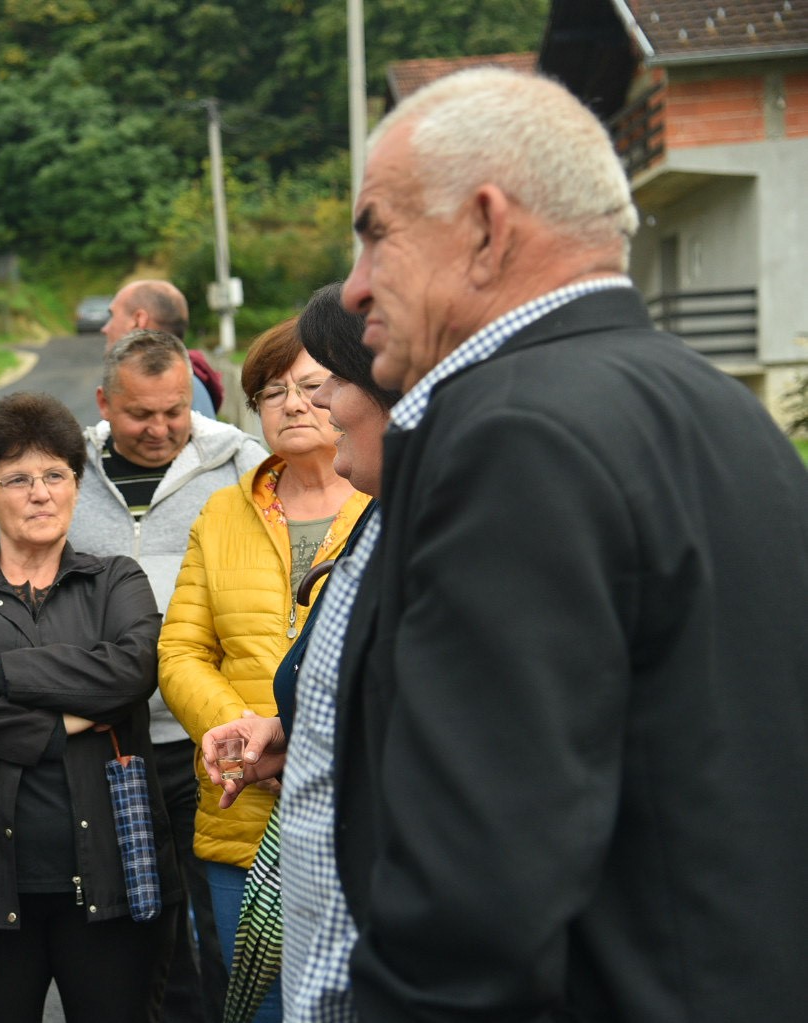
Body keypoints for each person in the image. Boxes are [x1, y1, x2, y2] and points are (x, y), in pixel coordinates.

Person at [334, 67, 808, 1018]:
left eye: (376, 231)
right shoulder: (718, 404)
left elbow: (476, 893)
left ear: (484, 226)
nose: (353, 289)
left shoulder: (514, 435)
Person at [0, 329, 265, 1023]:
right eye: (140, 414)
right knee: (135, 934)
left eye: (174, 410)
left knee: (218, 933)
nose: (160, 429)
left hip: (202, 740)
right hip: (101, 745)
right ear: (104, 403)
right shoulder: (66, 468)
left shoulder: (241, 467)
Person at [0, 391, 182, 1021]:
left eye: (56, 475)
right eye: (17, 479)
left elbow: (131, 670)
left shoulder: (116, 580)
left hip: (115, 876)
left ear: (77, 486)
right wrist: (59, 726)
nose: (40, 493)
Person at [159, 306, 371, 1022]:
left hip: (352, 805)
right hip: (240, 800)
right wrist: (241, 732)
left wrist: (299, 736)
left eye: (313, 387)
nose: (293, 405)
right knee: (258, 1003)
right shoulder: (223, 512)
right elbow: (182, 648)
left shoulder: (383, 502)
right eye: (272, 392)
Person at [103, 279, 221, 417]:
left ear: (138, 320)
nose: (105, 328)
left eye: (112, 315)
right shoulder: (190, 385)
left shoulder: (176, 387)